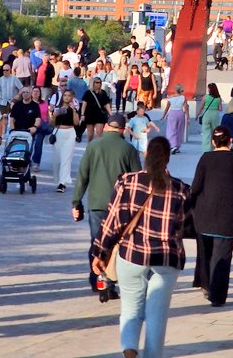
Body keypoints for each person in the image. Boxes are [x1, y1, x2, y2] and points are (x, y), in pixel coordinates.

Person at [92, 137, 191, 358]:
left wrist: (100, 251)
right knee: (157, 314)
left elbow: (112, 220)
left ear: (146, 155)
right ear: (167, 159)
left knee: (130, 308)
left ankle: (129, 350)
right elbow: (184, 225)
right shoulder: (181, 189)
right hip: (167, 257)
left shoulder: (127, 182)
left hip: (133, 253)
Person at [72, 112, 141, 298]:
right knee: (115, 244)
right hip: (120, 207)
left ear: (108, 126)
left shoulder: (93, 146)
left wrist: (76, 202)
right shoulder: (129, 149)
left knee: (97, 242)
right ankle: (110, 282)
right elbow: (138, 179)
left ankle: (98, 281)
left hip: (96, 203)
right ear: (123, 129)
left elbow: (82, 176)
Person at [190, 125, 233, 307]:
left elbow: (196, 187)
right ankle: (217, 296)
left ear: (212, 142)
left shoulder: (205, 158)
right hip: (228, 217)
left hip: (204, 216)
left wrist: (193, 209)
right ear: (230, 140)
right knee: (222, 257)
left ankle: (207, 285)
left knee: (206, 254)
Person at [52, 88, 80, 192]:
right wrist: (54, 116)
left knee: (66, 158)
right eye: (65, 95)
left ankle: (62, 183)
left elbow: (76, 123)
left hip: (70, 132)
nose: (66, 97)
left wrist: (73, 110)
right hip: (59, 132)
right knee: (58, 158)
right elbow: (53, 123)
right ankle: (59, 178)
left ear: (72, 97)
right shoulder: (57, 108)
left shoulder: (74, 108)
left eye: (69, 95)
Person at [161, 84, 189, 154]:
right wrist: (188, 117)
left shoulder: (170, 98)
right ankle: (177, 146)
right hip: (180, 113)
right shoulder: (183, 97)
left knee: (171, 129)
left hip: (172, 113)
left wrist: (163, 115)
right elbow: (186, 108)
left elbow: (167, 108)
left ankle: (172, 145)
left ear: (175, 90)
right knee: (179, 130)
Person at [198, 83, 223, 152]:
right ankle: (213, 147)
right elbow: (220, 109)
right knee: (214, 132)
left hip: (207, 114)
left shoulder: (205, 97)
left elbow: (201, 107)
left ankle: (206, 149)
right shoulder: (218, 98)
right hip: (215, 114)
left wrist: (197, 115)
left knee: (206, 132)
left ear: (209, 89)